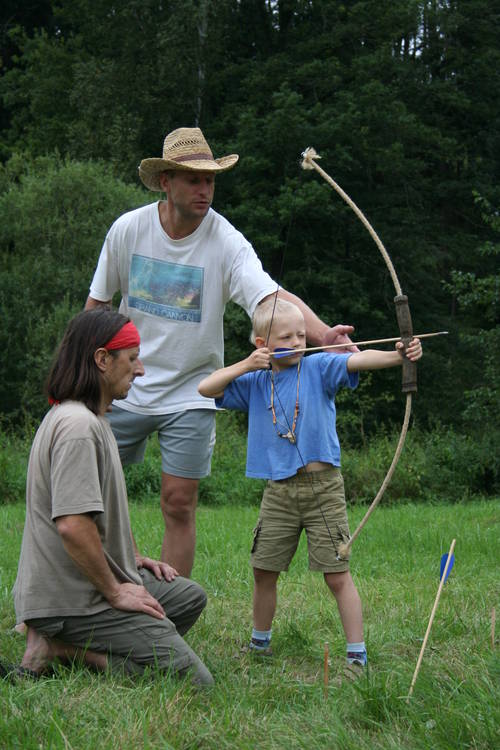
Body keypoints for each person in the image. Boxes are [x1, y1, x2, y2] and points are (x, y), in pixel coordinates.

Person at [85, 126, 357, 577]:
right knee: (91, 487)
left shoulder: (226, 241)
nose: (204, 189)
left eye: (210, 180)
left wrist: (325, 335)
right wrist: (85, 378)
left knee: (178, 501)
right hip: (124, 386)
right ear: (166, 182)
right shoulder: (128, 230)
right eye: (193, 179)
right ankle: (103, 590)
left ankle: (171, 607)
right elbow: (96, 307)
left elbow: (271, 297)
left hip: (194, 389)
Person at [198, 297, 422, 673]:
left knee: (336, 573)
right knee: (263, 570)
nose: (298, 342)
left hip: (323, 488)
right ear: (263, 344)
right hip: (278, 492)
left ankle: (356, 654)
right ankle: (259, 644)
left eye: (302, 335)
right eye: (287, 336)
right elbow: (206, 388)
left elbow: (358, 360)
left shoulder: (318, 366)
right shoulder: (255, 381)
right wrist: (247, 364)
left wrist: (399, 355)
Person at [11, 309, 213, 686]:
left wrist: (130, 558)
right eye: (132, 358)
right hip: (72, 600)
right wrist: (116, 591)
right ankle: (62, 648)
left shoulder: (94, 420)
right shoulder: (77, 427)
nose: (140, 370)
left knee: (188, 597)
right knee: (192, 680)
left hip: (85, 586)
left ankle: (77, 642)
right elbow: (73, 526)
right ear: (103, 360)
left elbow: (99, 509)